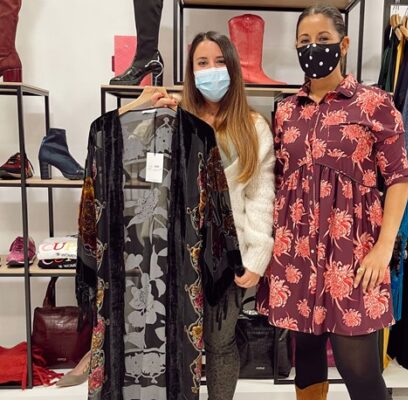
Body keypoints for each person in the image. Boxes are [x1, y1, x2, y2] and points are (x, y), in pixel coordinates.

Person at [256, 5, 408, 400]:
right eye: (304, 41)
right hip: (296, 251)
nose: (313, 48)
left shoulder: (374, 103)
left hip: (354, 252)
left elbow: (398, 178)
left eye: (323, 39)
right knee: (306, 354)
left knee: (358, 367)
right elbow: (278, 181)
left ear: (343, 44)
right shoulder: (286, 110)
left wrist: (384, 247)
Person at [153, 31, 275, 400]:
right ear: (191, 71)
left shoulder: (253, 126)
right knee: (177, 340)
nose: (212, 70)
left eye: (220, 62)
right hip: (178, 253)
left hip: (228, 256)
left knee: (220, 342)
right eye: (202, 63)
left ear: (233, 67)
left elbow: (261, 196)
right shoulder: (175, 122)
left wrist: (257, 256)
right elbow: (153, 185)